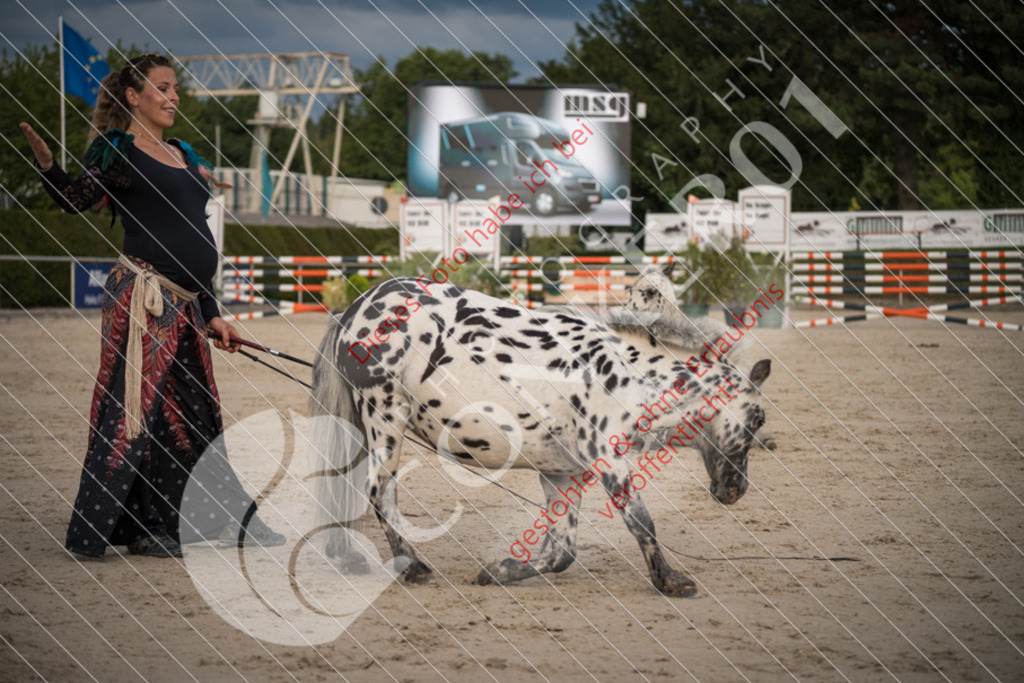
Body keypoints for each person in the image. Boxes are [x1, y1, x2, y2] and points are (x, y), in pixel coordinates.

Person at [20, 53, 284, 560]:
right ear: (133, 96)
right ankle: (125, 529)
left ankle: (218, 521)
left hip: (184, 301)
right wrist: (50, 167)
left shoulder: (183, 154)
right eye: (162, 88)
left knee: (194, 413)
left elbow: (195, 238)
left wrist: (211, 311)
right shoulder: (116, 151)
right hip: (142, 295)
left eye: (175, 88)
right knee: (133, 415)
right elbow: (76, 199)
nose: (173, 97)